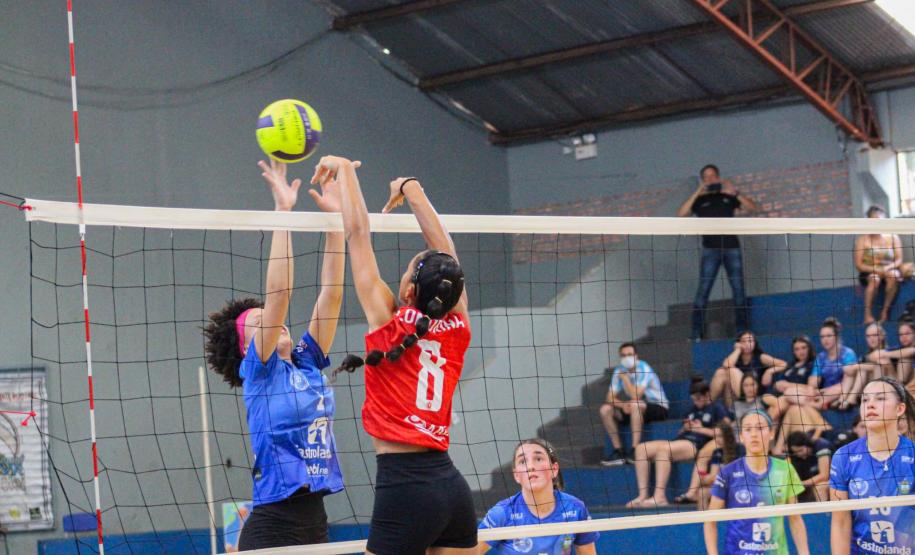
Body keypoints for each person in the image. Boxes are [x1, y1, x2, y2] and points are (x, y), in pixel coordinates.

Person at [320, 156, 477, 555]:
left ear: (408, 291)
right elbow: (447, 253)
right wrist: (411, 186)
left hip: (406, 487)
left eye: (407, 272)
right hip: (452, 487)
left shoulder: (388, 322)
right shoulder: (458, 326)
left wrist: (347, 170)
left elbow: (358, 234)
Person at [202, 160, 345, 549]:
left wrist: (335, 225)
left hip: (315, 518)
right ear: (249, 347)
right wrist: (284, 212)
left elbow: (331, 293)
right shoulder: (259, 373)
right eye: (259, 321)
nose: (272, 319)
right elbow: (279, 296)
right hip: (273, 525)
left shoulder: (307, 361)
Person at [829, 377, 915, 555]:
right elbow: (840, 522)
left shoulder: (911, 455)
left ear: (900, 409)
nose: (870, 405)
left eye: (880, 398)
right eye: (865, 400)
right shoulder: (844, 457)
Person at [704, 411, 810, 555]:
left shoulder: (785, 469)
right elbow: (709, 522)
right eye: (748, 429)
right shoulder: (728, 473)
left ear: (771, 433)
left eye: (760, 428)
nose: (754, 434)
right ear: (741, 437)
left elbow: (795, 518)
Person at [677, 164, 758, 340]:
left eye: (713, 176)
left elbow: (753, 209)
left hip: (731, 247)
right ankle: (696, 333)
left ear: (719, 177)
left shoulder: (727, 197)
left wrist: (734, 191)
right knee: (703, 291)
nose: (710, 179)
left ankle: (742, 332)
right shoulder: (699, 200)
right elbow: (681, 214)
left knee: (738, 291)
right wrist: (698, 191)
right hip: (710, 250)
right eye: (706, 177)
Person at [477, 439, 598, 554]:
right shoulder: (501, 513)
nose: (530, 467)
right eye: (523, 461)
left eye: (538, 459)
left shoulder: (575, 508)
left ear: (554, 469)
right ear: (516, 475)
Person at [627, 377, 730, 508]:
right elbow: (682, 431)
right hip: (682, 440)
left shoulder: (716, 408)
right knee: (641, 449)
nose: (696, 402)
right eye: (693, 400)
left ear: (707, 395)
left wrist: (701, 429)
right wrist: (685, 428)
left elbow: (727, 430)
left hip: (696, 444)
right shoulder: (691, 410)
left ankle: (659, 497)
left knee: (664, 450)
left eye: (698, 399)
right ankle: (642, 496)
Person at [599, 342, 670, 466]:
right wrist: (622, 405)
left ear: (636, 356)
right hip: (634, 407)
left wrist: (625, 379)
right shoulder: (619, 370)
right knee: (605, 409)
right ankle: (619, 451)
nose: (627, 358)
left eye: (630, 354)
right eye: (623, 355)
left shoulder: (644, 368)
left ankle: (635, 450)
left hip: (658, 407)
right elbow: (609, 397)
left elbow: (635, 395)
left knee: (636, 403)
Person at [854, 205, 913, 324]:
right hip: (868, 272)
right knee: (874, 279)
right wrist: (875, 269)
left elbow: (898, 260)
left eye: (880, 221)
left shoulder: (892, 237)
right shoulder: (862, 240)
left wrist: (887, 267)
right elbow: (859, 265)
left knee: (894, 276)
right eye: (873, 221)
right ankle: (867, 315)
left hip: (888, 270)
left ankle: (885, 313)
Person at [674, 422, 740, 509]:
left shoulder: (739, 449)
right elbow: (712, 477)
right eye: (715, 436)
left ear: (728, 436)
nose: (717, 439)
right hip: (724, 485)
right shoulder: (717, 452)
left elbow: (738, 473)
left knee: (723, 493)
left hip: (739, 484)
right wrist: (706, 479)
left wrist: (714, 478)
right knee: (702, 492)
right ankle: (705, 521)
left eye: (720, 436)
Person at [710, 330, 786, 404]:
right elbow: (726, 365)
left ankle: (747, 404)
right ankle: (709, 405)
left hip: (756, 396)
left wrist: (769, 371)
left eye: (750, 341)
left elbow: (783, 364)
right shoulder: (736, 358)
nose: (747, 344)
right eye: (743, 341)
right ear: (738, 343)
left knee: (732, 370)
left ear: (754, 343)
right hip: (736, 397)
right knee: (721, 372)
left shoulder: (761, 357)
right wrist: (737, 350)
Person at [762, 336, 821, 419]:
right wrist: (778, 384)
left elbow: (812, 389)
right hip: (778, 396)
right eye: (797, 349)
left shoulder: (814, 365)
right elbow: (777, 384)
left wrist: (788, 385)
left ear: (809, 348)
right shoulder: (791, 365)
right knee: (767, 399)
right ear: (794, 351)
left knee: (781, 402)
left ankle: (766, 426)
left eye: (803, 348)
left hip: (797, 397)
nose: (801, 351)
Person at [813, 317, 858, 409]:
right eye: (822, 337)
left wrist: (822, 391)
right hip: (824, 393)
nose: (825, 340)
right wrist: (812, 390)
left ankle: (818, 404)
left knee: (839, 389)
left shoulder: (848, 354)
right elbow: (813, 381)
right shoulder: (820, 357)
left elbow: (849, 380)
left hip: (842, 391)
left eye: (829, 336)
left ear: (836, 336)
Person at [843, 323, 889, 406]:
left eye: (875, 335)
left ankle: (851, 398)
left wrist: (856, 366)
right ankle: (844, 398)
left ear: (882, 336)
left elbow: (879, 367)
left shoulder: (888, 353)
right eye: (868, 336)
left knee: (862, 369)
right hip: (866, 391)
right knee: (855, 370)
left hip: (884, 390)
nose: (871, 339)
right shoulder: (866, 356)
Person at [785, 431, 831, 502]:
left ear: (807, 444)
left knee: (819, 487)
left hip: (834, 480)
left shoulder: (821, 445)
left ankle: (824, 512)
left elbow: (825, 475)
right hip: (810, 482)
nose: (798, 454)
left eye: (800, 450)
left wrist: (801, 484)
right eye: (795, 452)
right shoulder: (797, 458)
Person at [867, 319, 915, 385]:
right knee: (882, 362)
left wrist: (884, 354)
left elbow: (912, 351)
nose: (904, 337)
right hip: (898, 381)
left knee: (905, 359)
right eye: (901, 334)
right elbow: (873, 355)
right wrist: (884, 359)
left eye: (907, 333)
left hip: (910, 385)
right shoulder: (897, 348)